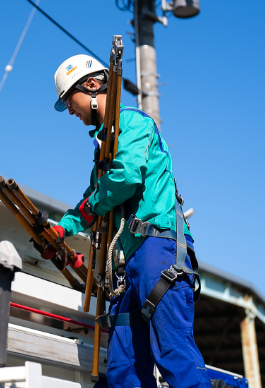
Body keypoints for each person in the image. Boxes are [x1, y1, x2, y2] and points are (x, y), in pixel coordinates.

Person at [50, 54, 212, 388]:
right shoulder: (104, 151)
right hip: (128, 267)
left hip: (158, 249)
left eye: (70, 101)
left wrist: (91, 206)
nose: (70, 111)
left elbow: (124, 181)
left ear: (92, 86)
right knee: (124, 368)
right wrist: (62, 228)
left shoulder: (134, 123)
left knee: (174, 353)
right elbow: (91, 199)